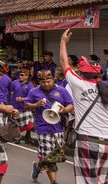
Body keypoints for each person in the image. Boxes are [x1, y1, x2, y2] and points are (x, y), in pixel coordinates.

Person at [60, 29, 108, 183]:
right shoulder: (106, 88)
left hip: (87, 141)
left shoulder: (78, 84)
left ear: (81, 73)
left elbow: (64, 64)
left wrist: (63, 42)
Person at [25, 70, 73, 184]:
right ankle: (54, 181)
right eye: (43, 82)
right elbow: (26, 105)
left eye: (48, 81)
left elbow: (70, 104)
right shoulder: (33, 92)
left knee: (56, 155)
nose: (46, 84)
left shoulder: (62, 91)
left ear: (53, 80)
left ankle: (37, 167)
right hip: (43, 128)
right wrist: (36, 105)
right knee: (48, 157)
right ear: (39, 82)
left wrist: (65, 110)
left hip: (59, 128)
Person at [9, 68, 34, 140]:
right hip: (14, 105)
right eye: (20, 75)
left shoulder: (30, 85)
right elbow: (10, 89)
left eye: (22, 75)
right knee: (15, 123)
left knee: (27, 123)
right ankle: (16, 136)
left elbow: (31, 97)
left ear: (27, 76)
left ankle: (27, 135)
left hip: (24, 107)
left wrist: (23, 99)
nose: (21, 76)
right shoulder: (15, 82)